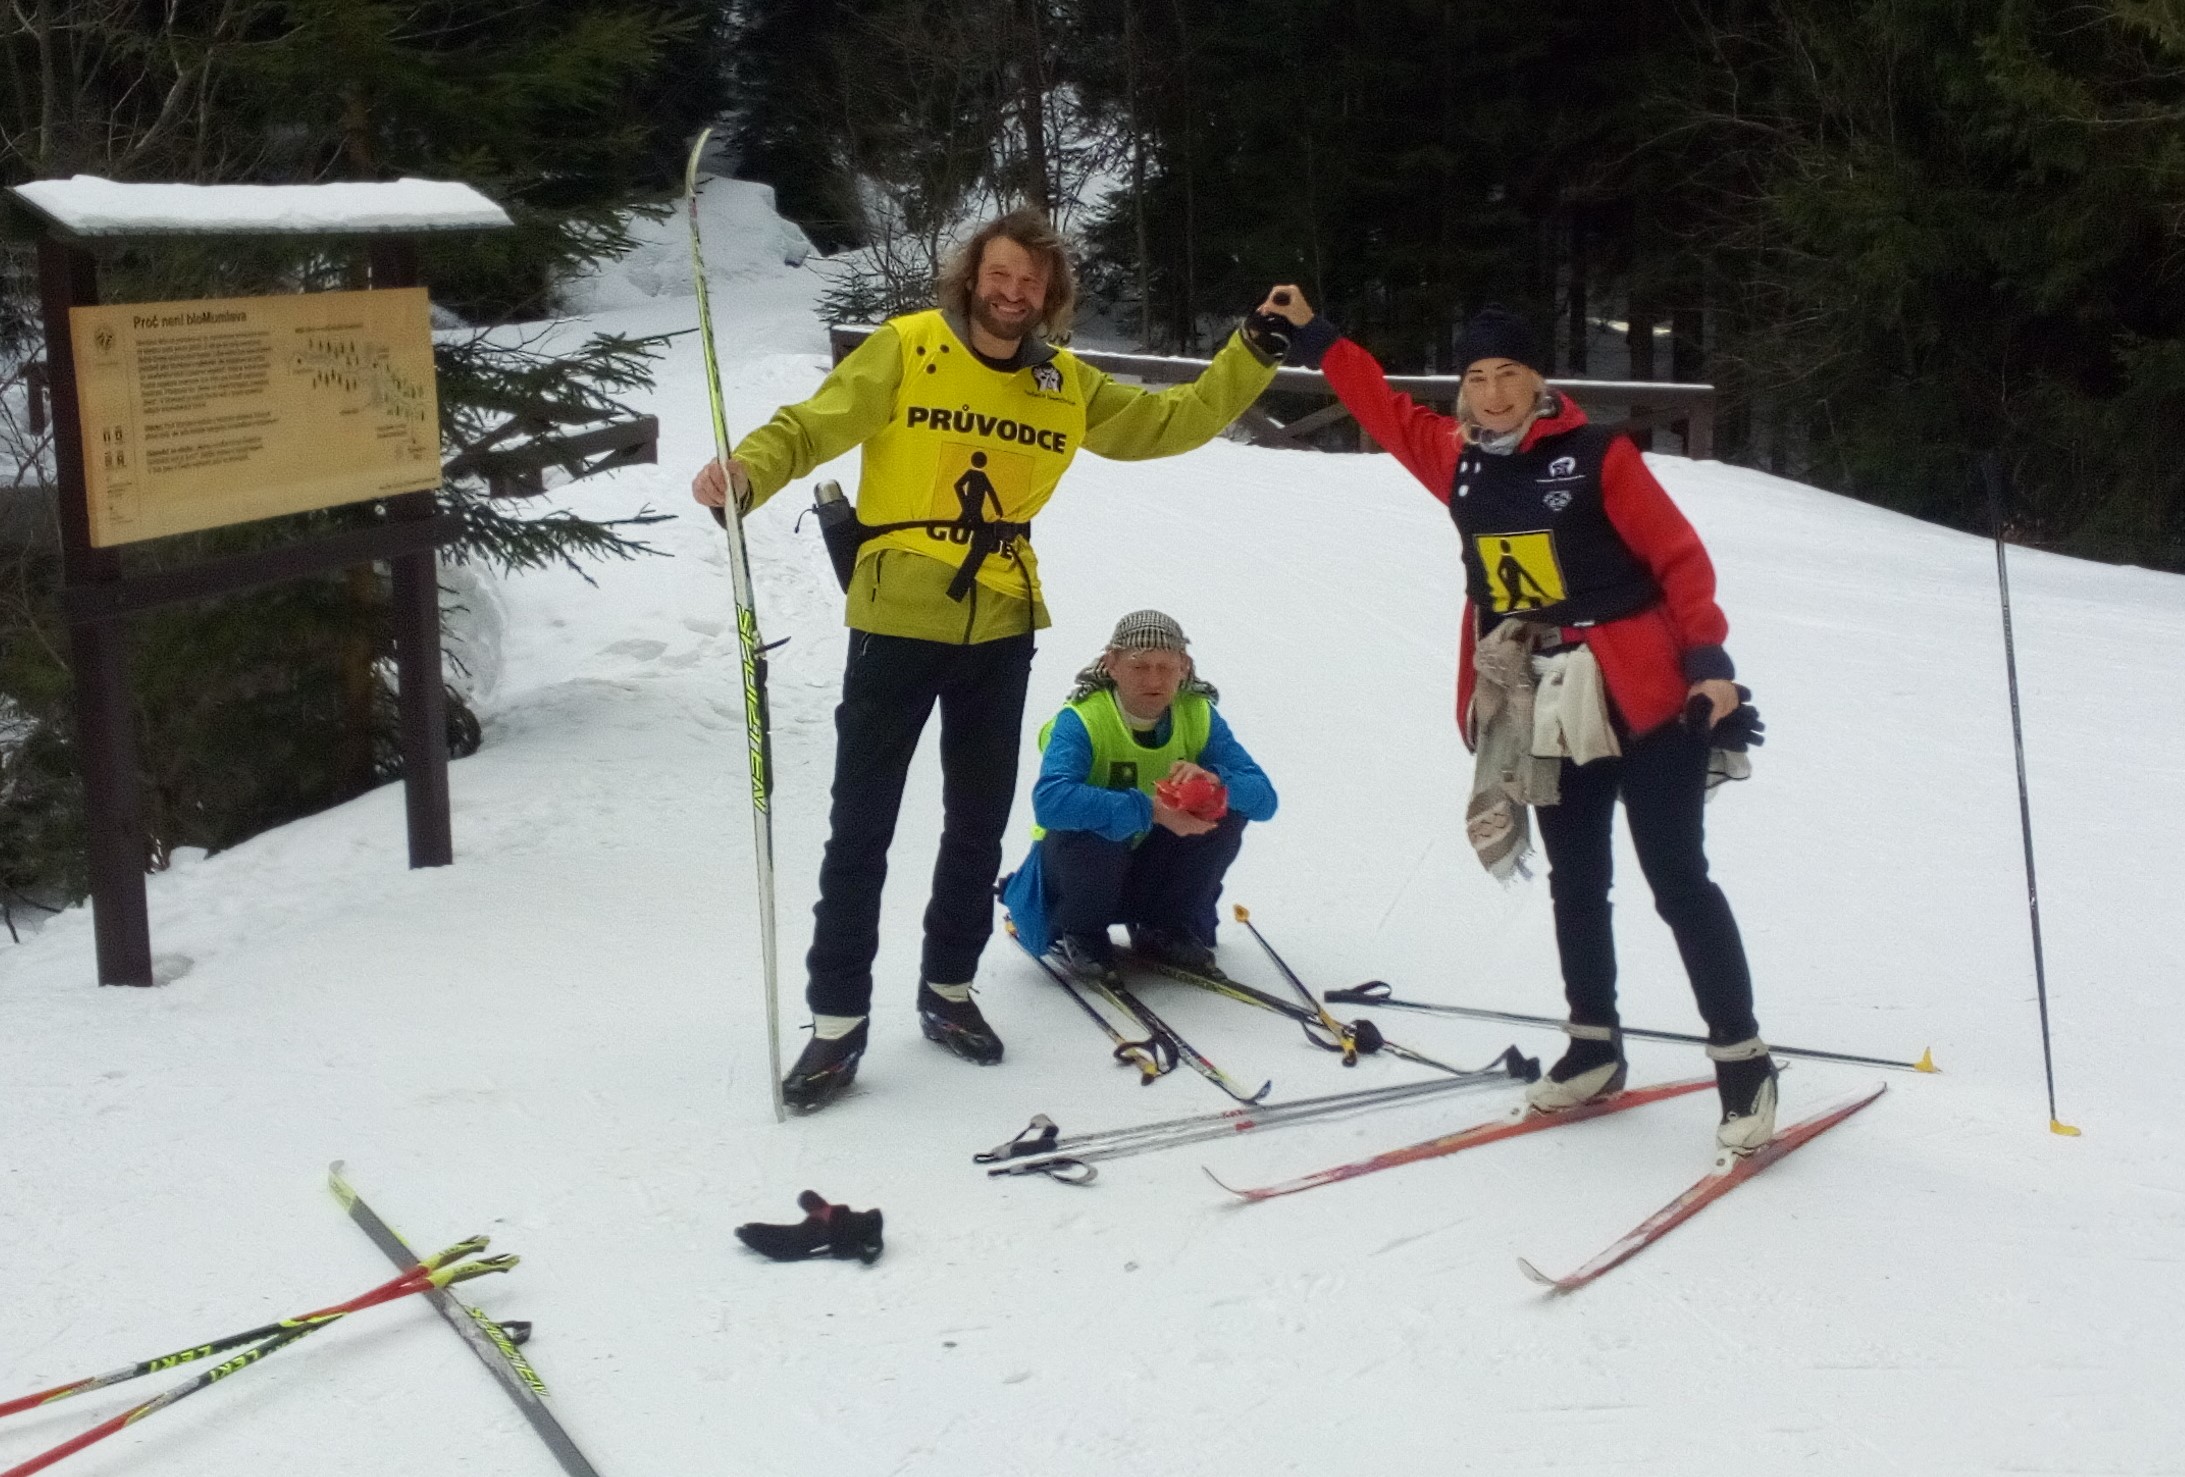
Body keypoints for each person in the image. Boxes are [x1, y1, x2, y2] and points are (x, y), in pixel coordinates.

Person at [691, 210, 1284, 1111]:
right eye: (999, 276)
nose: (1012, 294)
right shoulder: (908, 347)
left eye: (1031, 284)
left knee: (975, 825)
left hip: (1000, 621)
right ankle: (838, 1021)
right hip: (895, 613)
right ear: (971, 277)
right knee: (863, 825)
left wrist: (1252, 347)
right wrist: (747, 471)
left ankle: (949, 991)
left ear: (1048, 297)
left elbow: (1169, 420)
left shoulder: (1061, 382)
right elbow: (816, 423)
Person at [1255, 288, 1777, 1153]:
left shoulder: (1598, 454)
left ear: (1540, 381)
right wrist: (1317, 336)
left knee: (1676, 879)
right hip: (1540, 699)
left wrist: (1709, 668)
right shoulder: (1457, 459)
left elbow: (1679, 560)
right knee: (1575, 880)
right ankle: (1592, 1047)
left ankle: (1743, 1061)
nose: (1491, 393)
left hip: (1644, 697)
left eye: (1508, 375)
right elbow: (1381, 409)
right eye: (1476, 377)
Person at [1000, 610, 1277, 985]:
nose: (1154, 679)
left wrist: (1217, 784)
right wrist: (1150, 810)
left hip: (1143, 866)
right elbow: (1051, 802)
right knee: (1099, 823)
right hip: (1074, 872)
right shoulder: (1082, 719)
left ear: (1184, 667)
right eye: (1140, 666)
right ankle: (1080, 931)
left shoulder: (1198, 714)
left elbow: (1264, 799)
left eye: (1165, 667)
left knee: (1224, 810)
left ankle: (1162, 925)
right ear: (1111, 664)